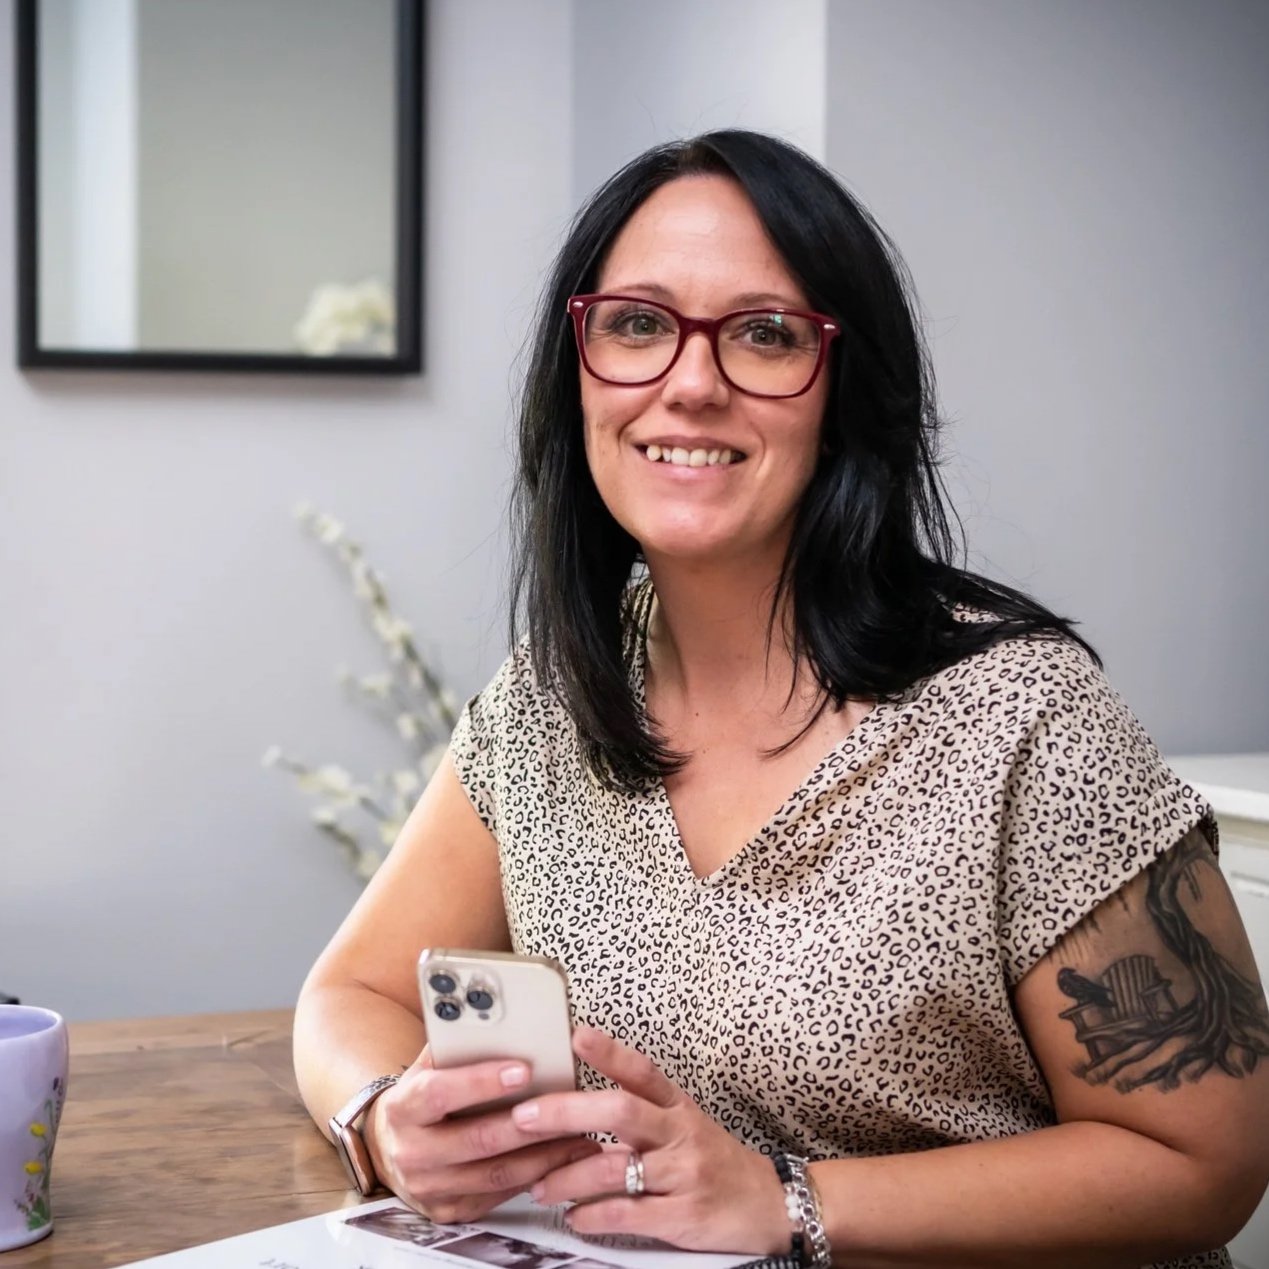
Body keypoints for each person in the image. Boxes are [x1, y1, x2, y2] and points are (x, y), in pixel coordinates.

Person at [294, 130, 1269, 1268]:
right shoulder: (556, 693)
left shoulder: (1025, 717)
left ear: (843, 392)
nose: (690, 382)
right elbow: (349, 991)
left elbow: (1206, 1163)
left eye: (764, 335)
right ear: (581, 373)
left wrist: (790, 1202)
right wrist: (383, 1120)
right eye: (638, 325)